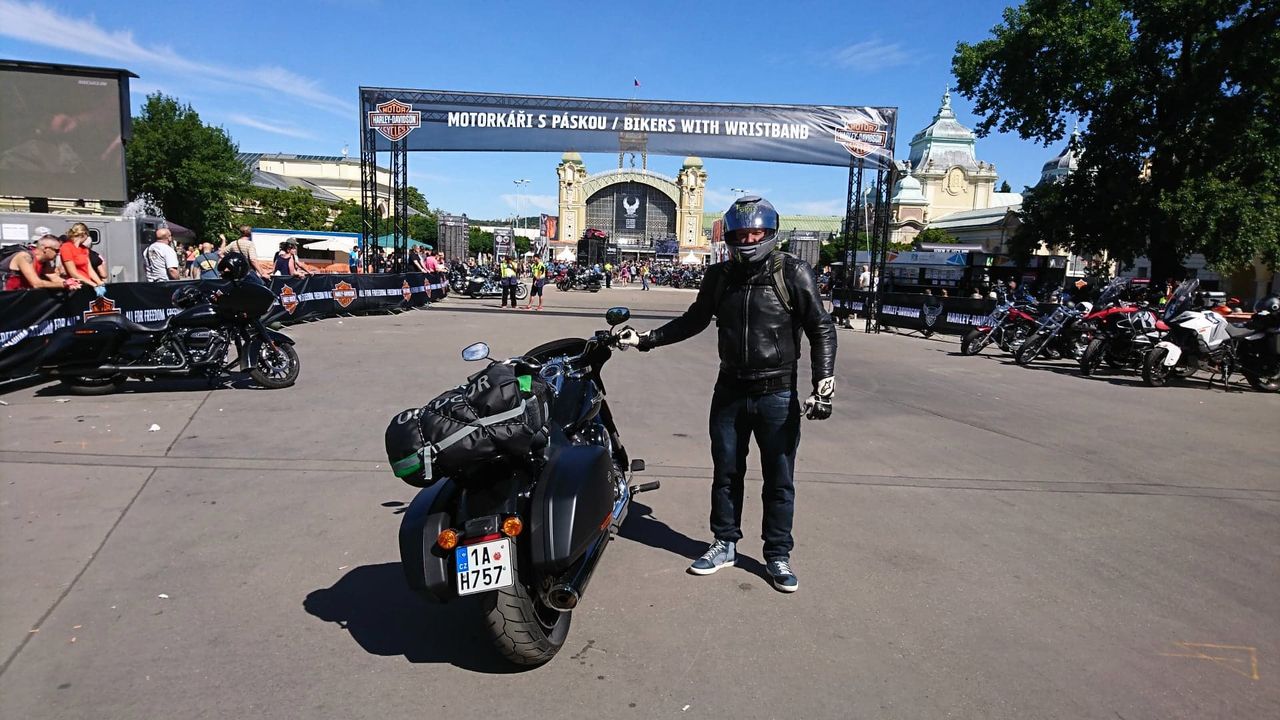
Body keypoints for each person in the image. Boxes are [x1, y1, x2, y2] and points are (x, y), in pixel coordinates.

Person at [618, 196, 837, 593]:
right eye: (740, 234)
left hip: (778, 393)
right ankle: (725, 543)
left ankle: (777, 555)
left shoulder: (793, 272)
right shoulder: (719, 276)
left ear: (771, 233)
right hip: (730, 390)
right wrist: (646, 340)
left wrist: (824, 383)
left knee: (779, 479)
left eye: (755, 233)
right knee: (726, 473)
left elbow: (821, 328)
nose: (748, 240)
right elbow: (694, 320)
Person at [2, 233, 70, 291]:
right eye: (57, 250)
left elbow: (54, 277)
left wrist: (72, 282)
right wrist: (64, 284)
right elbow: (36, 284)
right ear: (46, 249)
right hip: (5, 296)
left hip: (19, 295)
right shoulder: (25, 257)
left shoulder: (45, 261)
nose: (58, 253)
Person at [59, 222, 103, 287]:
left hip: (88, 284)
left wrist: (99, 282)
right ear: (83, 234)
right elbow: (73, 273)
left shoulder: (84, 249)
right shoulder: (66, 247)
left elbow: (90, 270)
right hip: (76, 286)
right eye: (87, 235)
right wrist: (93, 284)